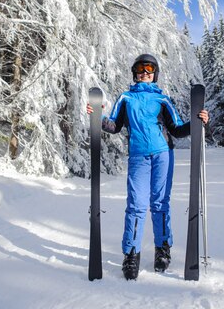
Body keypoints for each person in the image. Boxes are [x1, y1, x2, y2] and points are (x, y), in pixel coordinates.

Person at [87, 54, 209, 280]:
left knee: (160, 203)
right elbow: (114, 126)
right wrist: (98, 117)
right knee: (136, 205)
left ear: (155, 74)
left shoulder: (162, 99)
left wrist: (197, 121)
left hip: (163, 155)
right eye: (141, 69)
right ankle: (131, 254)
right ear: (135, 73)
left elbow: (175, 128)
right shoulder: (126, 98)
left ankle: (163, 249)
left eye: (149, 70)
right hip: (138, 157)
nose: (145, 73)